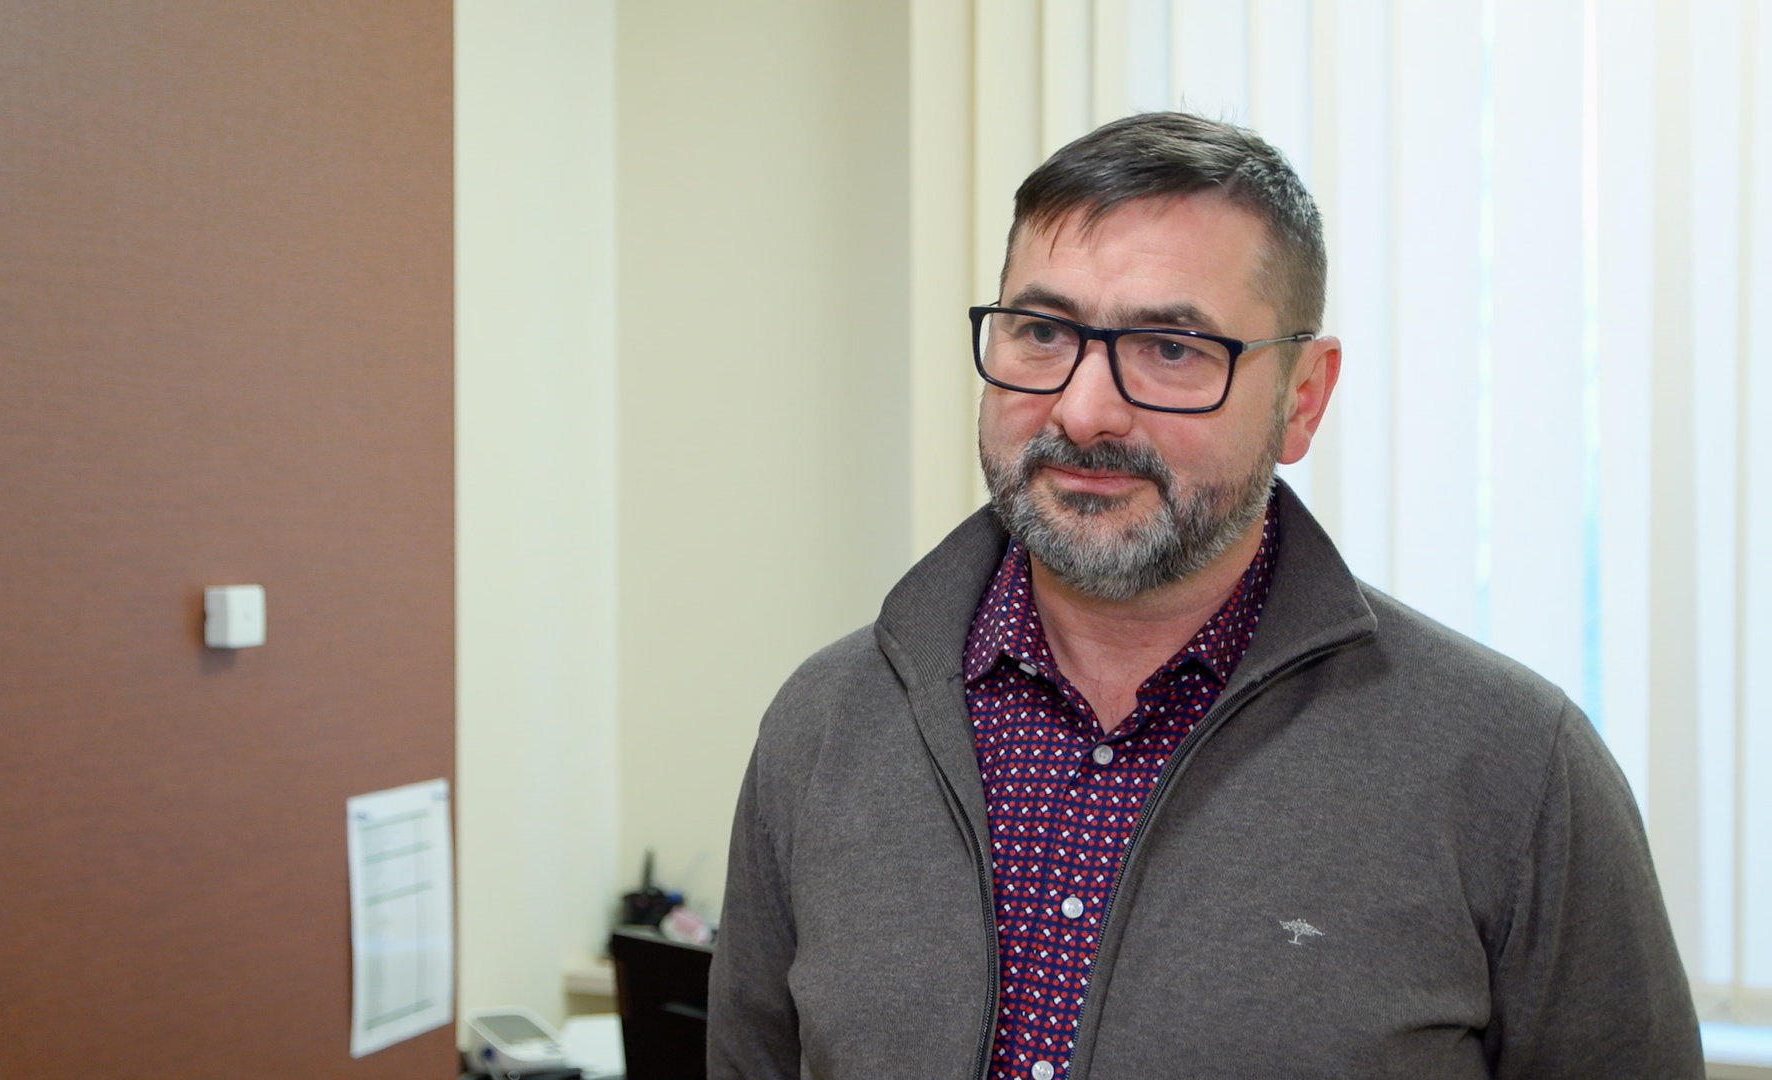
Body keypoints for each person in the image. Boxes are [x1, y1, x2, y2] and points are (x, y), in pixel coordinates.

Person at [705, 112, 1702, 1079]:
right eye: (1042, 332)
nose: (1084, 410)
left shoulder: (1514, 770)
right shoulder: (824, 727)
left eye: (1172, 349)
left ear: (1302, 398)